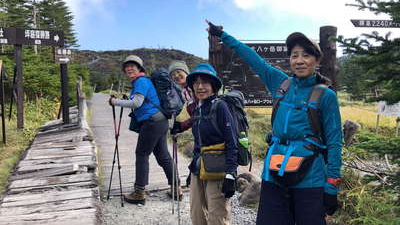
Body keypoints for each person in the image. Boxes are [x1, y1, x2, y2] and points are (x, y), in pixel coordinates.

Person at [208, 22, 342, 225]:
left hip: (311, 178)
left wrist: (331, 186)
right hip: (274, 174)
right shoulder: (281, 84)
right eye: (294, 55)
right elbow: (253, 58)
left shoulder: (326, 96)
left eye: (306, 55)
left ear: (316, 60)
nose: (299, 61)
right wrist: (223, 36)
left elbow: (334, 142)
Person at [109, 55, 181, 205]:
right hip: (160, 121)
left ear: (139, 68)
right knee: (163, 156)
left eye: (133, 66)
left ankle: (139, 192)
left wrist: (115, 102)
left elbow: (136, 103)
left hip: (152, 123)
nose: (129, 68)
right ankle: (176, 188)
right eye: (127, 67)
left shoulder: (141, 81)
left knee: (142, 154)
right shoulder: (142, 82)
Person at [185, 63, 238, 225]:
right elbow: (198, 143)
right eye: (196, 83)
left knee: (217, 216)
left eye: (205, 82)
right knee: (197, 214)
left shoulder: (220, 106)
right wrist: (191, 170)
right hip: (199, 168)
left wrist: (230, 173)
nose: (200, 87)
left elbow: (232, 141)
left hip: (218, 169)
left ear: (213, 86)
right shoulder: (198, 109)